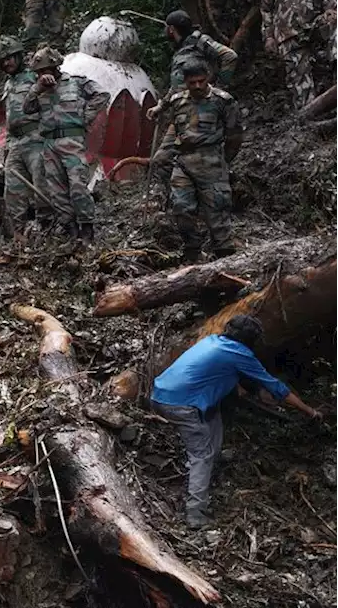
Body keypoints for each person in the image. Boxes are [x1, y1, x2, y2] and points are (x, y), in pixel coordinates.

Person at [151, 315, 323, 528]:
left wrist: (240, 388)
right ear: (251, 340)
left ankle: (209, 466)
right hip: (181, 405)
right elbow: (276, 387)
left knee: (214, 417)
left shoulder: (213, 340)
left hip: (161, 393)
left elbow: (212, 372)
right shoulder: (240, 354)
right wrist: (309, 411)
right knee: (201, 455)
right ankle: (195, 514)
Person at [147, 10, 240, 195]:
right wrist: (162, 106)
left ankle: (212, 195)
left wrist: (218, 88)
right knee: (162, 160)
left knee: (203, 157)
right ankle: (182, 200)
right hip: (182, 113)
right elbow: (178, 86)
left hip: (202, 112)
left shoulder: (200, 42)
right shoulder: (182, 50)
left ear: (171, 30)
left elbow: (230, 56)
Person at [22, 48, 108, 244]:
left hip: (72, 141)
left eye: (46, 70)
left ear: (55, 68)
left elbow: (102, 95)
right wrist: (38, 88)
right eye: (39, 72)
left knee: (78, 185)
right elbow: (26, 109)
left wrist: (86, 117)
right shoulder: (38, 89)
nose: (43, 75)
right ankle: (69, 228)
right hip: (50, 143)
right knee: (56, 189)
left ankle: (87, 227)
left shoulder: (76, 82)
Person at [165, 63, 244, 263]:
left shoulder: (223, 101)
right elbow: (175, 128)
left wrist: (222, 161)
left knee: (218, 211)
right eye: (193, 83)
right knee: (181, 207)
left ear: (208, 77)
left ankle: (224, 257)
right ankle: (192, 252)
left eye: (202, 81)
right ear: (186, 83)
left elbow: (234, 136)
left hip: (212, 162)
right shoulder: (178, 102)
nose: (198, 86)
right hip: (183, 163)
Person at [261, 0, 338, 109]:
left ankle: (336, 63)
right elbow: (266, 10)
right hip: (290, 36)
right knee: (301, 88)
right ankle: (309, 121)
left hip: (315, 26)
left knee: (335, 21)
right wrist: (269, 37)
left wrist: (329, 9)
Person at [0, 36, 48, 237]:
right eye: (2, 61)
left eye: (9, 58)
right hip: (15, 143)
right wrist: (7, 147)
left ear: (19, 55)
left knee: (42, 186)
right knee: (13, 192)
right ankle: (18, 238)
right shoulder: (8, 83)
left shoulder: (35, 75)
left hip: (36, 140)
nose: (6, 63)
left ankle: (46, 232)